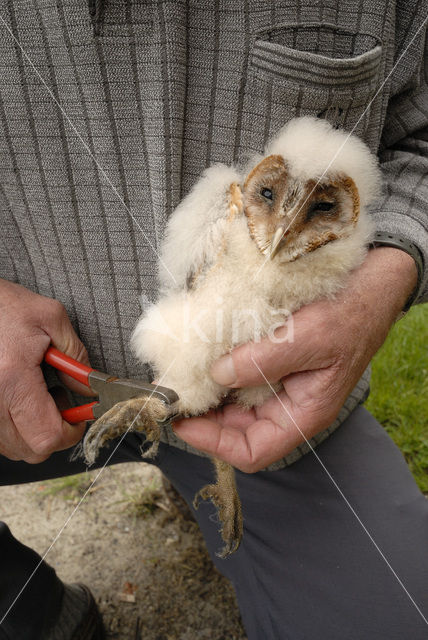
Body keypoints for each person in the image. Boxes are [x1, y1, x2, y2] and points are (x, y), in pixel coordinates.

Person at [0, 1, 427, 638]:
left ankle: (222, 477)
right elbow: (182, 265)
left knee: (395, 617)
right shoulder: (221, 209)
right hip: (29, 377)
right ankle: (34, 612)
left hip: (278, 417)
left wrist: (381, 283)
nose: (284, 225)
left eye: (319, 209)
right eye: (269, 196)